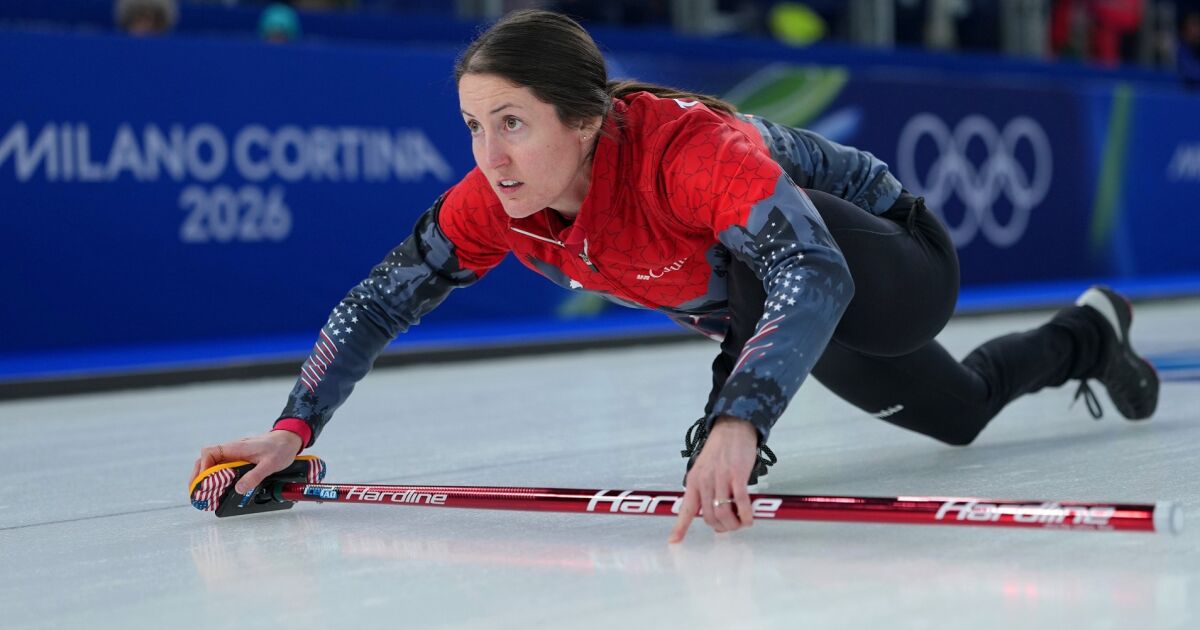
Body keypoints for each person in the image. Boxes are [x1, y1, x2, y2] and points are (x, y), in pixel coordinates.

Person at [192, 9, 1160, 543]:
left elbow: (808, 264)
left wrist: (737, 421)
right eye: (474, 127)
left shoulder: (687, 150)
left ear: (584, 120)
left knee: (760, 249)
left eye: (513, 123)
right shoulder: (494, 200)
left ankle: (732, 411)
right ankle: (1089, 334)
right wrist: (292, 430)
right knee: (958, 414)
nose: (491, 156)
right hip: (787, 310)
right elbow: (376, 303)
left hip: (896, 264)